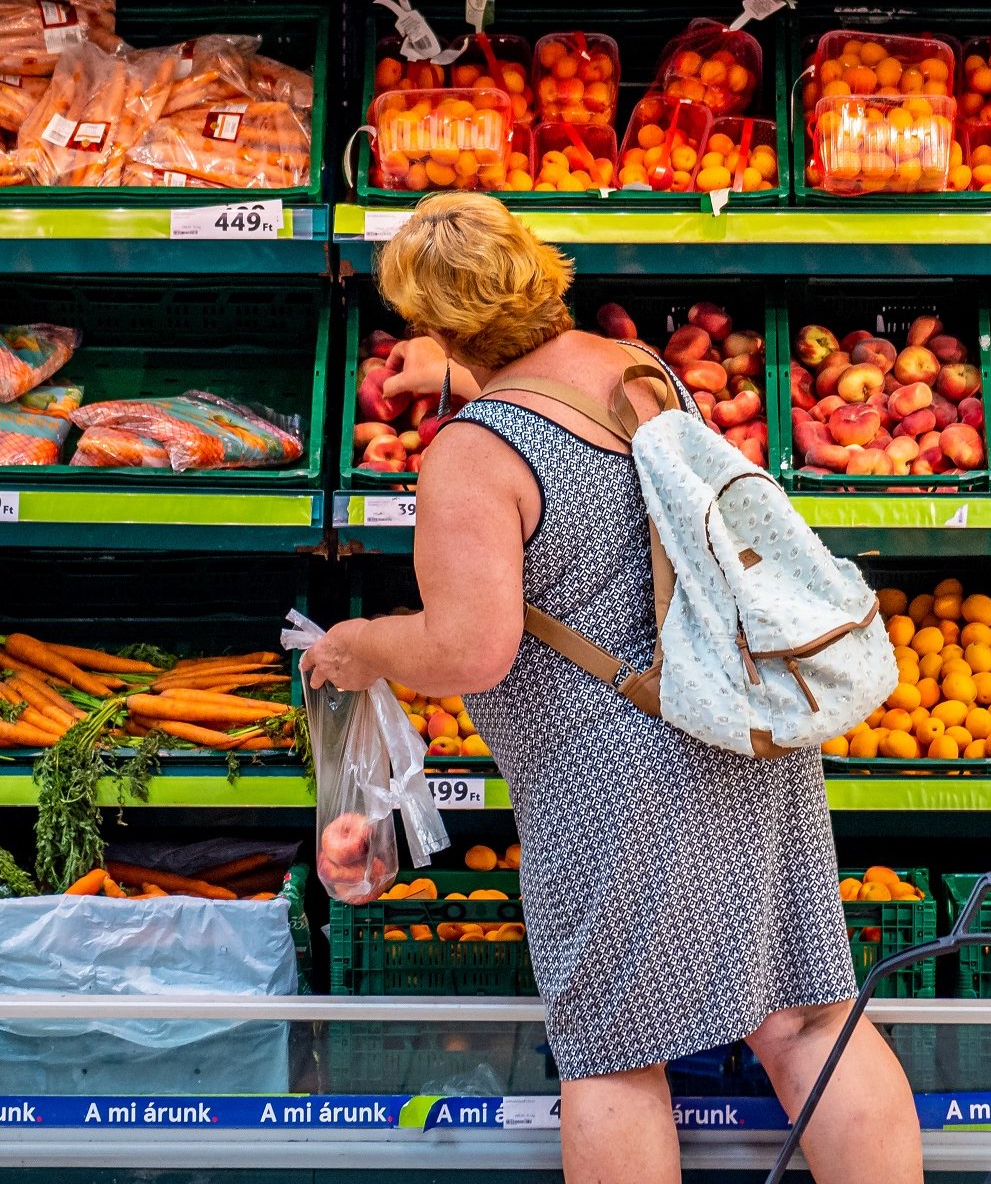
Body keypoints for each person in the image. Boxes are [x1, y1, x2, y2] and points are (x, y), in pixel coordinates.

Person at [301, 192, 920, 1184]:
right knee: (803, 1018)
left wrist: (364, 645)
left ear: (439, 324)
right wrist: (457, 365)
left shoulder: (472, 453)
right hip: (732, 720)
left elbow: (471, 650)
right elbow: (563, 429)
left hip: (614, 776)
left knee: (612, 1056)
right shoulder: (633, 372)